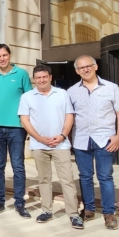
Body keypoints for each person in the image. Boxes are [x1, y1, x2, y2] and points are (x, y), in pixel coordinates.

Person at [67, 55, 119, 230]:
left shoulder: (111, 88)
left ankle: (109, 213)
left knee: (105, 177)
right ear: (77, 71)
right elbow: (68, 116)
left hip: (105, 140)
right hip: (81, 140)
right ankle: (88, 209)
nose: (85, 69)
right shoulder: (72, 91)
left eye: (88, 66)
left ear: (95, 67)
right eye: (81, 68)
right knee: (85, 177)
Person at [18, 64, 78, 224]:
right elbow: (25, 120)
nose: (41, 80)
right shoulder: (27, 97)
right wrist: (39, 138)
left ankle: (73, 214)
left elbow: (69, 116)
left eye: (44, 77)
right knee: (44, 179)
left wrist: (62, 135)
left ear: (50, 77)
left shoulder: (62, 94)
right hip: (39, 145)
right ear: (34, 80)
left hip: (61, 144)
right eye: (38, 78)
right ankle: (46, 210)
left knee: (67, 180)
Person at [0, 44, 33, 218]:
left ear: (9, 55)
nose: (2, 58)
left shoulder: (21, 74)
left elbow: (29, 100)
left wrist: (28, 125)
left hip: (16, 127)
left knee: (18, 166)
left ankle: (19, 203)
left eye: (5, 55)